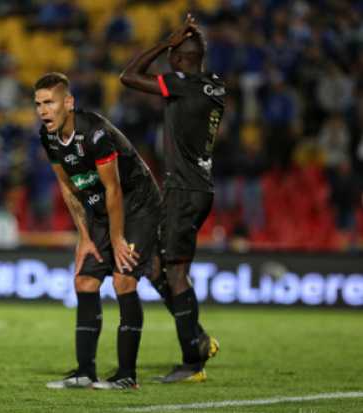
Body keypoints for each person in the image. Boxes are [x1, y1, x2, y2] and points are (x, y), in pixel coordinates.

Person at [35, 72, 161, 390]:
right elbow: (67, 186)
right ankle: (85, 372)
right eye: (38, 104)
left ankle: (127, 376)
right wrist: (85, 238)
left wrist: (118, 239)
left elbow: (114, 188)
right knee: (84, 280)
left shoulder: (95, 132)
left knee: (123, 279)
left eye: (49, 102)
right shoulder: (48, 137)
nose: (42, 110)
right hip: (103, 211)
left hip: (138, 205)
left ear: (69, 102)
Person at [120, 14, 223, 383]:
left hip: (182, 190)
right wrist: (185, 45)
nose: (168, 61)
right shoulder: (214, 86)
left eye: (172, 57)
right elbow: (189, 67)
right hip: (199, 189)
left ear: (179, 61)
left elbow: (128, 76)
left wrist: (165, 42)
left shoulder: (182, 86)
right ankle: (196, 338)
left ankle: (192, 360)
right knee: (156, 268)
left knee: (174, 273)